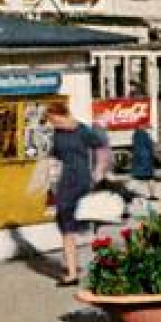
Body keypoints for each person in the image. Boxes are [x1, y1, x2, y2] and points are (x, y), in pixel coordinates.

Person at [47, 103, 106, 286]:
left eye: (54, 120)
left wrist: (99, 169)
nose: (52, 124)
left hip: (82, 180)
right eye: (50, 121)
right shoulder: (57, 134)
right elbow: (54, 156)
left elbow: (101, 146)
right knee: (66, 226)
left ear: (63, 115)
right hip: (64, 182)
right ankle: (72, 273)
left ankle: (103, 265)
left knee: (86, 223)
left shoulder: (82, 131)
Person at [129, 125, 160, 200]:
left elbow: (135, 147)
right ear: (143, 127)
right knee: (148, 177)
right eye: (146, 127)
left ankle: (128, 193)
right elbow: (150, 146)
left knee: (137, 177)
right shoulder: (145, 135)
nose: (147, 129)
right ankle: (152, 195)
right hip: (146, 159)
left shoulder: (135, 135)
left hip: (137, 158)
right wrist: (156, 156)